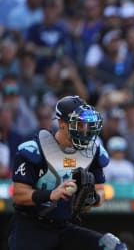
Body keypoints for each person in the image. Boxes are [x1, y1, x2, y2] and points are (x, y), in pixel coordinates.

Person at [7, 95, 127, 250]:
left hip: (63, 227)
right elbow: (18, 195)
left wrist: (92, 198)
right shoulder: (35, 150)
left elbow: (101, 191)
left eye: (86, 125)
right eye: (79, 124)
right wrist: (51, 194)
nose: (84, 130)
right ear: (61, 123)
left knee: (113, 247)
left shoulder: (93, 152)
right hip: (30, 227)